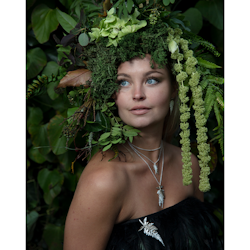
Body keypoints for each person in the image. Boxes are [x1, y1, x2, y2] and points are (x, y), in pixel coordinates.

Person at [61, 5, 222, 250]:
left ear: (174, 88)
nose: (137, 94)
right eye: (123, 82)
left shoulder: (190, 166)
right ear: (111, 94)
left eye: (152, 79)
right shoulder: (104, 180)